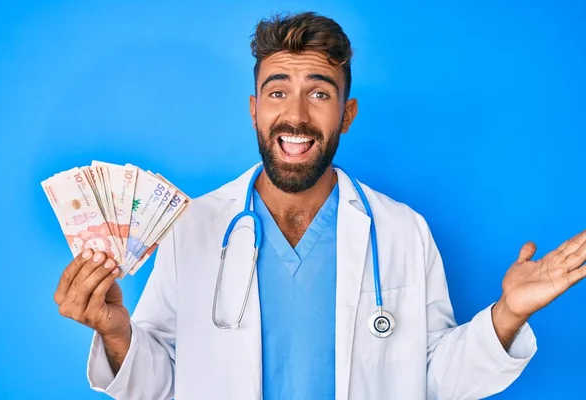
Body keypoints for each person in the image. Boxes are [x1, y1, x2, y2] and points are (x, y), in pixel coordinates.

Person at [53, 11, 586, 400]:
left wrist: (508, 315)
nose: (298, 116)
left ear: (347, 113)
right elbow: (162, 385)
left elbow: (436, 380)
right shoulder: (191, 227)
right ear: (254, 109)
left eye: (320, 93)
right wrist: (117, 334)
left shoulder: (402, 231)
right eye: (278, 92)